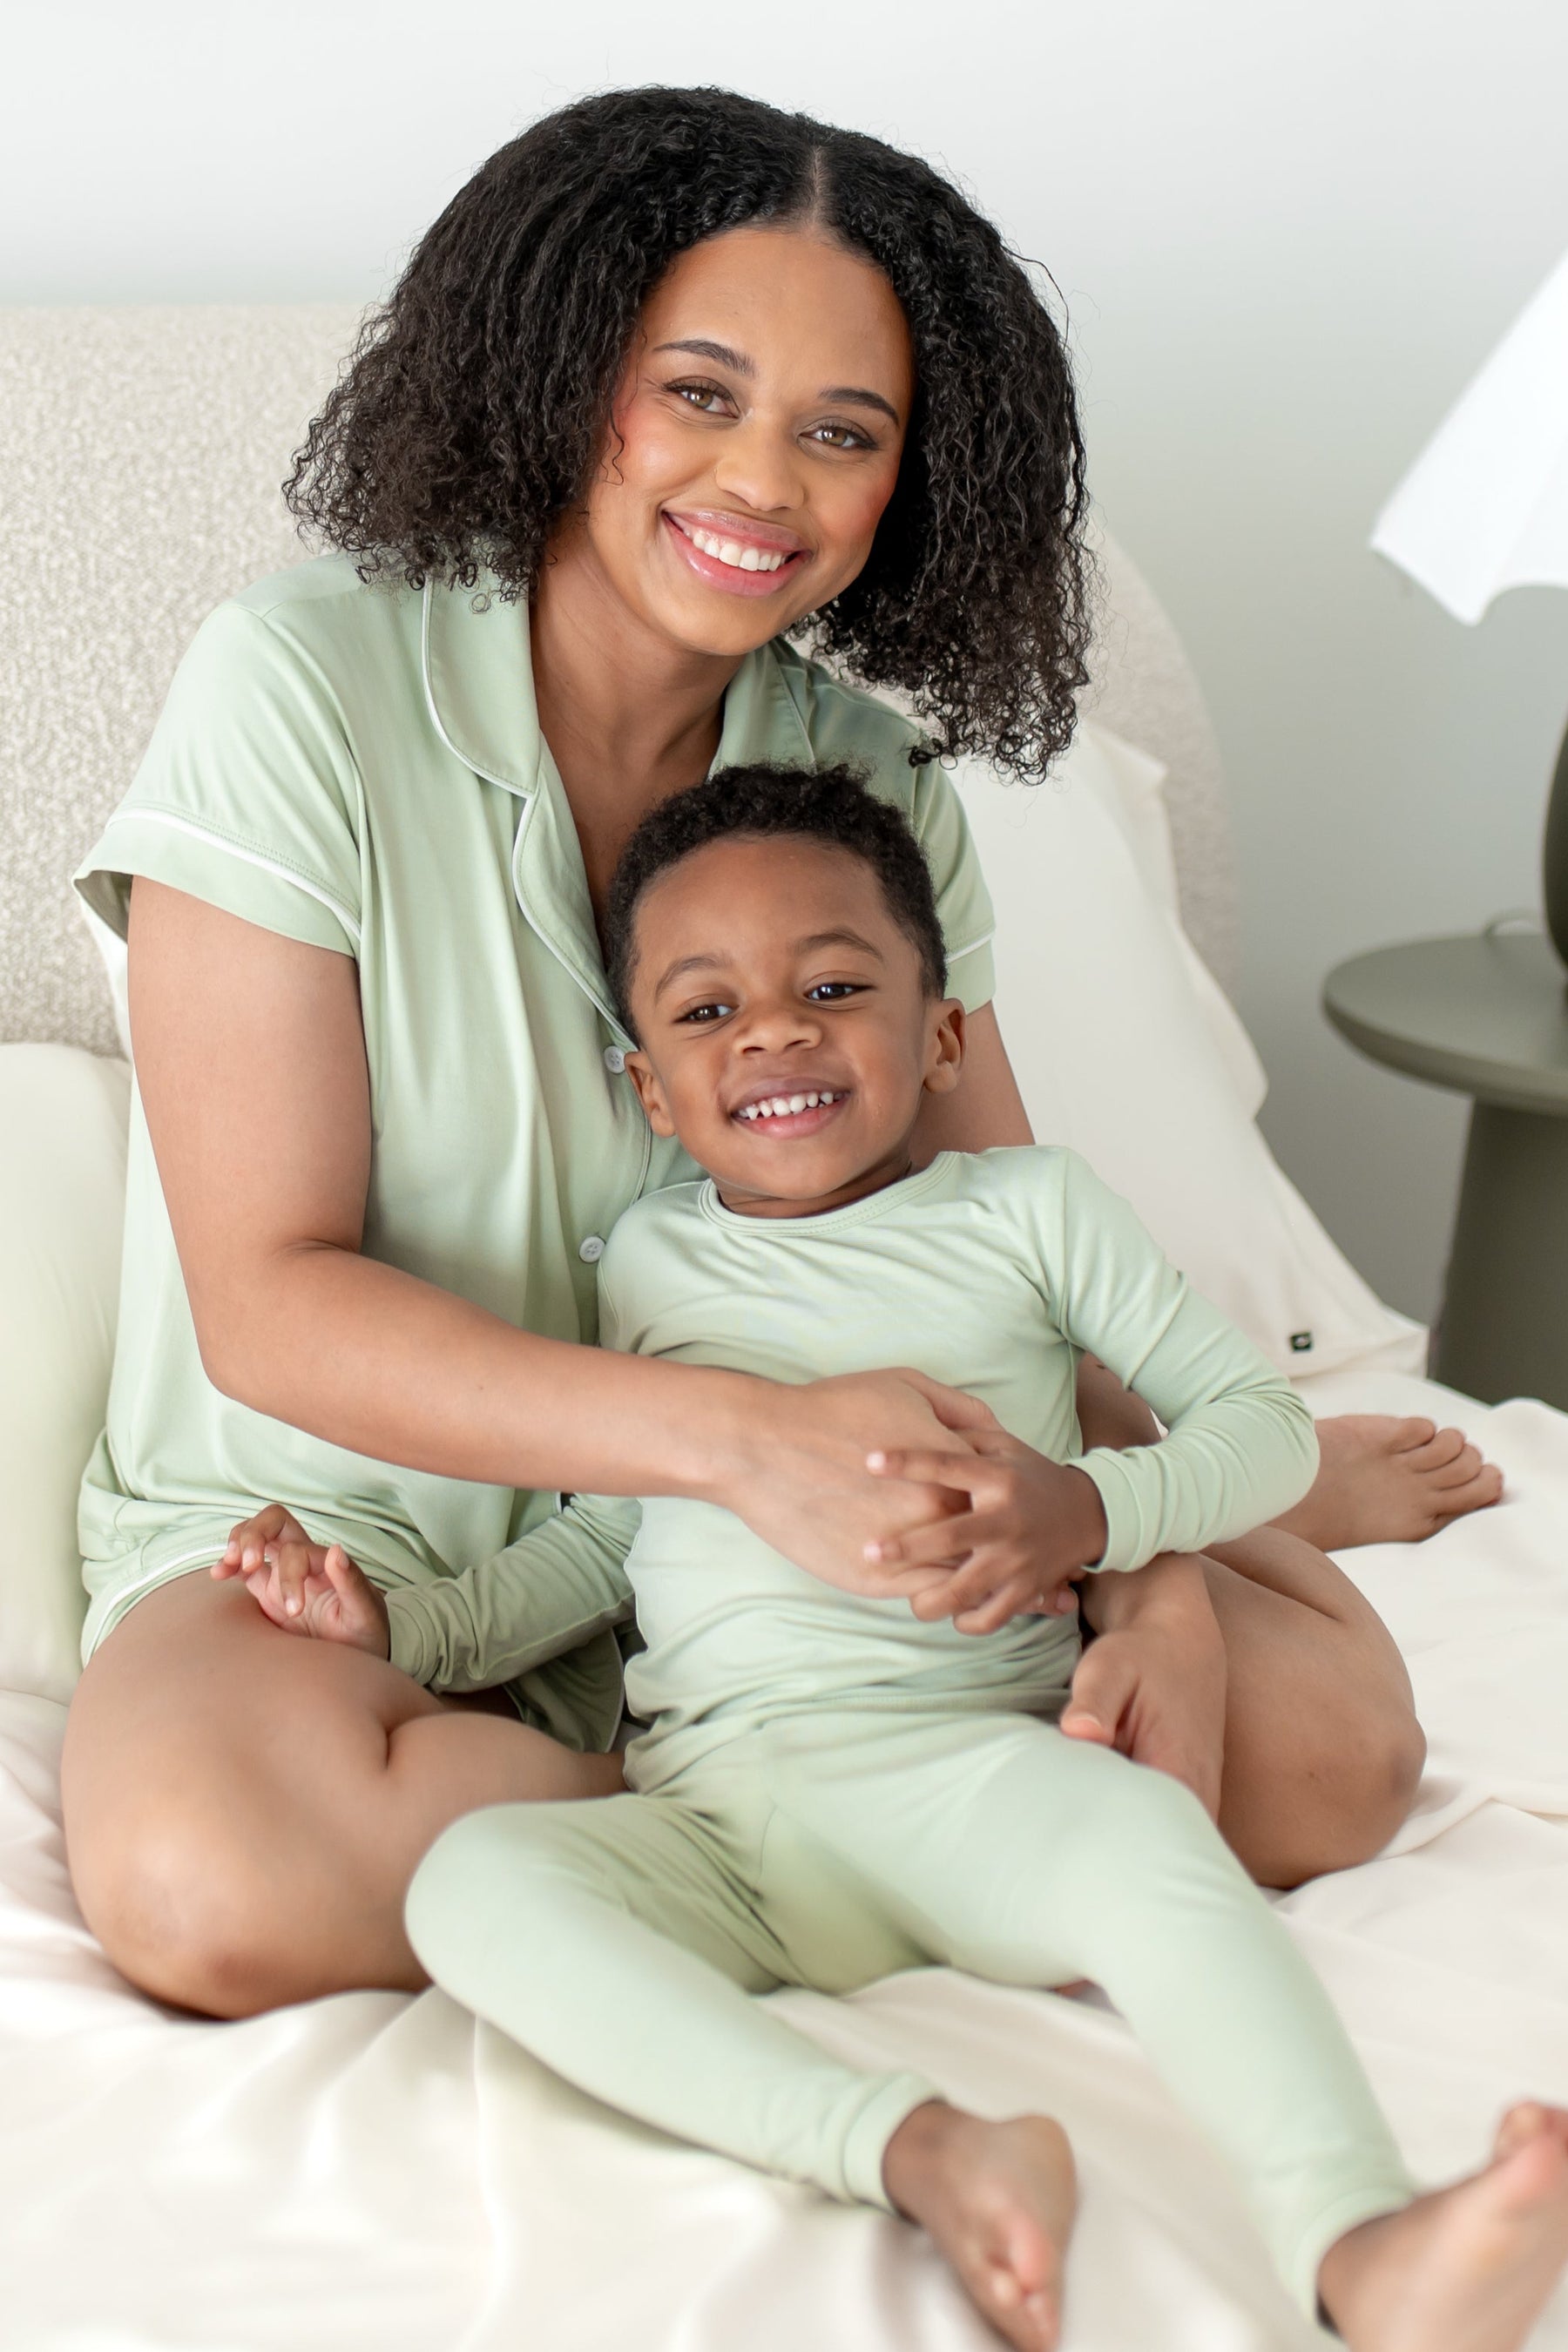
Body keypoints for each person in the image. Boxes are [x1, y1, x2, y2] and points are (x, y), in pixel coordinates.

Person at [63, 86, 1492, 2024]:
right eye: (702, 394)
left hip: (824, 1569)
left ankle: (703, 1840)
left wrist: (1142, 1573)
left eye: (845, 433)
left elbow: (1002, 1240)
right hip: (369, 1535)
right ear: (572, 380)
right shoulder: (299, 681)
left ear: (911, 483)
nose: (764, 484)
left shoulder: (875, 778)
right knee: (203, 1879)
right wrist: (748, 1447)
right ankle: (777, 1845)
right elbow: (274, 1308)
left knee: (1338, 1751)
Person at [223, 767, 1568, 2352]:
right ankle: (922, 2150)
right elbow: (615, 1535)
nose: (775, 1032)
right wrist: (411, 1630)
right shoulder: (648, 1260)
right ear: (652, 1090)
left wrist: (1088, 1514)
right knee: (477, 1888)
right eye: (706, 1010)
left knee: (1155, 1858)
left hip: (978, 1775)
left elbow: (1256, 1424)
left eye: (835, 986)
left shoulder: (1027, 1213)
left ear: (941, 1036)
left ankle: (1357, 2240)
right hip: (721, 1815)